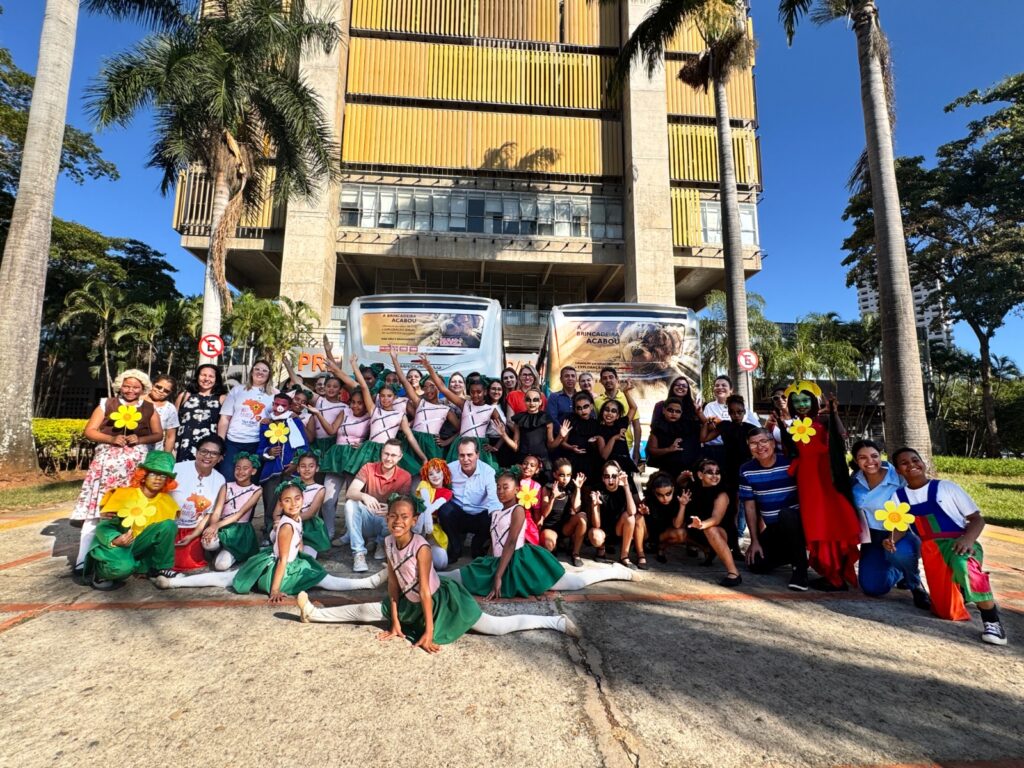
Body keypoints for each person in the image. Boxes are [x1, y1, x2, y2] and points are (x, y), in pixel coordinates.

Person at [294, 496, 580, 650]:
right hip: (408, 602)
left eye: (404, 517)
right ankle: (313, 613)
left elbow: (426, 592)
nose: (397, 521)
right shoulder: (389, 542)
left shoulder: (422, 548)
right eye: (392, 516)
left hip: (443, 603)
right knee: (363, 610)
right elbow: (393, 585)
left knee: (495, 627)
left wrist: (429, 633)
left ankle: (554, 621)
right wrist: (395, 622)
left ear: (414, 520)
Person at [156, 478, 386, 601]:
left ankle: (175, 582)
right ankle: (367, 583)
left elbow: (297, 543)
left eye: (297, 499)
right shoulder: (286, 525)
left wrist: (301, 551)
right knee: (226, 578)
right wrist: (275, 589)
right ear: (280, 504)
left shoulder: (295, 518)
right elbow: (284, 559)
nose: (293, 504)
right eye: (287, 501)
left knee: (226, 577)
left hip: (285, 562)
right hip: (277, 569)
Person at [441, 471, 635, 598]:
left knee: (573, 583)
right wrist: (490, 564)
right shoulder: (496, 512)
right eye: (498, 487)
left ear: (517, 490)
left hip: (520, 561)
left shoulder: (517, 510)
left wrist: (498, 576)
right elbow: (494, 543)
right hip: (498, 561)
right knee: (462, 575)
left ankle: (615, 571)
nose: (500, 491)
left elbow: (510, 543)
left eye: (505, 487)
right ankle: (426, 574)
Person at [890, 447, 1007, 645]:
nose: (911, 465)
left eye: (915, 460)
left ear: (923, 463)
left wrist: (968, 539)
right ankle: (962, 591)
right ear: (898, 470)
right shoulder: (899, 497)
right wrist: (891, 539)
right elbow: (901, 526)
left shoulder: (946, 487)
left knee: (965, 567)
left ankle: (992, 621)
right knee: (947, 612)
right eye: (904, 463)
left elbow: (976, 519)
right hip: (932, 551)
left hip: (959, 543)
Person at [71, 369, 164, 571]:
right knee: (98, 513)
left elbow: (158, 434)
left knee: (131, 513)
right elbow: (90, 431)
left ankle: (123, 557)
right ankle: (82, 559)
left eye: (136, 387)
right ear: (120, 386)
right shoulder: (107, 404)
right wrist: (111, 438)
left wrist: (140, 439)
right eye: (127, 386)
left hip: (134, 470)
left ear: (143, 389)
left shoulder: (149, 408)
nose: (130, 390)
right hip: (106, 469)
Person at [781, 381, 860, 591]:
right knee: (815, 523)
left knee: (828, 523)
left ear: (813, 401)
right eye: (796, 401)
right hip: (806, 482)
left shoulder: (824, 419)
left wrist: (834, 413)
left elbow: (842, 435)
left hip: (825, 480)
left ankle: (835, 576)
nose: (801, 405)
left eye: (805, 400)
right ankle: (829, 573)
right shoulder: (794, 425)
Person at [850, 440, 930, 609]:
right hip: (872, 538)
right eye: (863, 458)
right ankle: (898, 571)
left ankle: (914, 584)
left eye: (874, 456)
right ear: (856, 461)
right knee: (873, 588)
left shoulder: (899, 478)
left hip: (901, 534)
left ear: (881, 455)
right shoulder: (855, 480)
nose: (870, 461)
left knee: (900, 553)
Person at [84, 450, 179, 590]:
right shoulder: (123, 495)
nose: (158, 479)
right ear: (143, 476)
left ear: (167, 481)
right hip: (116, 547)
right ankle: (100, 572)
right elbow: (104, 526)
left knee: (169, 525)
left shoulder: (168, 502)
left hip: (138, 545)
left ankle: (159, 569)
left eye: (163, 476)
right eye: (153, 474)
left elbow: (164, 536)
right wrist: (115, 539)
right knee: (122, 569)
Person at [646, 462, 742, 586]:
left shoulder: (722, 494)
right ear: (700, 475)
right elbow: (674, 487)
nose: (715, 476)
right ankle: (665, 547)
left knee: (710, 529)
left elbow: (716, 519)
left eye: (717, 472)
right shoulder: (693, 489)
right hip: (696, 531)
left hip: (719, 532)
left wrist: (702, 525)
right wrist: (682, 478)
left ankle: (734, 573)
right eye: (710, 472)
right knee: (680, 531)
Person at [739, 428, 808, 591]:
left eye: (763, 441)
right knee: (755, 564)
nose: (759, 447)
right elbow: (749, 506)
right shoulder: (746, 470)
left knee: (786, 514)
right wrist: (755, 541)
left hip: (798, 525)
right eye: (753, 443)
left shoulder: (789, 463)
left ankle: (800, 569)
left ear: (772, 442)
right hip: (774, 528)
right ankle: (794, 554)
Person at [345, 355, 427, 472]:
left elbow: (410, 437)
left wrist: (423, 457)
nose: (385, 399)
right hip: (370, 451)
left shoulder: (400, 415)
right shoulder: (373, 410)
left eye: (389, 396)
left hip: (389, 451)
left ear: (394, 397)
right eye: (382, 396)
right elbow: (364, 387)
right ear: (379, 397)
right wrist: (354, 365)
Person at [420, 356, 502, 470]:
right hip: (461, 444)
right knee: (455, 473)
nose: (475, 395)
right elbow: (443, 388)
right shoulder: (465, 404)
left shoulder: (491, 410)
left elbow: (504, 431)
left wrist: (496, 447)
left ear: (485, 392)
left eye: (479, 392)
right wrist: (429, 368)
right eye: (472, 392)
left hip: (480, 447)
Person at [344, 440, 413, 572]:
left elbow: (406, 505)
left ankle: (381, 542)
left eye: (393, 455)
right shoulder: (368, 468)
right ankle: (358, 553)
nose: (389, 458)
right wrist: (364, 496)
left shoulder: (405, 476)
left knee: (399, 513)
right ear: (381, 453)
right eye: (386, 454)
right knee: (350, 504)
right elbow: (350, 492)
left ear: (400, 457)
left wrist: (392, 508)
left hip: (387, 520)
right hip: (368, 516)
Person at [318, 390, 371, 545]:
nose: (355, 406)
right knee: (328, 498)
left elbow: (376, 437)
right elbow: (331, 430)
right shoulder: (345, 411)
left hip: (355, 458)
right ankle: (328, 532)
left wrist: (364, 444)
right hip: (336, 457)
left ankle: (350, 533)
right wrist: (317, 413)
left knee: (351, 499)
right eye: (353, 402)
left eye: (360, 403)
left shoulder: (370, 417)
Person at [170, 435, 228, 572]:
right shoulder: (176, 469)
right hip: (169, 527)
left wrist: (194, 534)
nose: (207, 456)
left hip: (193, 529)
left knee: (189, 562)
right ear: (196, 452)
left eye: (214, 453)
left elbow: (209, 514)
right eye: (204, 451)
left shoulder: (220, 480)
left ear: (220, 458)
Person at [256, 392, 309, 538]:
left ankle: (292, 535)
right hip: (272, 471)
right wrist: (268, 452)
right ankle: (269, 534)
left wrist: (295, 463)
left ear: (289, 406)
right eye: (276, 404)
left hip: (291, 471)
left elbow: (304, 446)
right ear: (272, 404)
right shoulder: (266, 424)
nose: (279, 407)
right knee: (270, 503)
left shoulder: (295, 421)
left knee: (291, 504)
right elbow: (260, 449)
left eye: (283, 405)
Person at [438, 438, 501, 563]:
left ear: (477, 455)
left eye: (469, 455)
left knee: (492, 516)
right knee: (444, 509)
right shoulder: (450, 468)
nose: (465, 459)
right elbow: (438, 489)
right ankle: (455, 547)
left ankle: (477, 546)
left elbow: (493, 500)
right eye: (462, 455)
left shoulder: (488, 472)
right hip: (458, 513)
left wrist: (497, 517)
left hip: (480, 516)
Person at [390, 350, 454, 470]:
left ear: (439, 388)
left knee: (432, 473)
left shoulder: (446, 409)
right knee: (409, 473)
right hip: (413, 443)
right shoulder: (419, 402)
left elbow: (461, 428)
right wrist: (394, 359)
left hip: (431, 446)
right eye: (425, 386)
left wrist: (446, 441)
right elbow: (404, 380)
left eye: (432, 386)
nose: (428, 390)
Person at [201, 452, 262, 571]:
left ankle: (233, 553)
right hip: (223, 527)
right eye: (237, 468)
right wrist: (213, 527)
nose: (240, 471)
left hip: (240, 531)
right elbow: (217, 511)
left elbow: (239, 514)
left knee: (221, 566)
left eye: (245, 468)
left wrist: (216, 526)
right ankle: (220, 549)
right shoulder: (226, 486)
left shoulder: (256, 490)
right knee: (207, 543)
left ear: (253, 471)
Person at [217, 360, 276, 475]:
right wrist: (220, 444)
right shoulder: (237, 390)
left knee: (251, 479)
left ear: (269, 374)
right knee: (228, 476)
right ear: (252, 372)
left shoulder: (274, 394)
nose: (260, 372)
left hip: (257, 443)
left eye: (264, 370)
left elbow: (279, 417)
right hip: (232, 442)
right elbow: (224, 418)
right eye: (257, 369)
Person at [588, 460, 644, 569]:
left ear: (619, 477)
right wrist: (595, 505)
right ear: (602, 478)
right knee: (595, 534)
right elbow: (596, 525)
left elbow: (632, 512)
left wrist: (626, 486)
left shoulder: (625, 488)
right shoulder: (598, 489)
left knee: (630, 518)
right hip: (603, 531)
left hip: (619, 530)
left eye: (614, 476)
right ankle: (601, 549)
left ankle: (624, 556)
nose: (610, 480)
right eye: (607, 476)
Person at [537, 458, 588, 566]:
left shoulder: (571, 488)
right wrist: (552, 498)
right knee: (549, 545)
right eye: (562, 475)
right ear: (555, 474)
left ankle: (575, 553)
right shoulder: (547, 488)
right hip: (550, 527)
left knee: (582, 517)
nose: (566, 479)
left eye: (568, 475)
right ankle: (556, 546)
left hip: (565, 527)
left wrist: (578, 488)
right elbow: (544, 513)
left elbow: (576, 508)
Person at [174, 364, 227, 462]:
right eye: (203, 375)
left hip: (208, 450)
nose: (206, 379)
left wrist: (221, 448)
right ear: (197, 376)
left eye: (211, 376)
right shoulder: (184, 396)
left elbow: (224, 424)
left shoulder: (222, 399)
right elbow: (174, 423)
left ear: (216, 379)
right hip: (184, 445)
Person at [702, 375, 760, 463]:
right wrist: (709, 422)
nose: (736, 415)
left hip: (743, 455)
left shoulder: (746, 420)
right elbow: (706, 433)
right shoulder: (710, 407)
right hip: (716, 451)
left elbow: (758, 431)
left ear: (731, 389)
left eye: (723, 385)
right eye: (717, 385)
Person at [501, 388, 560, 471]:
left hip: (542, 460)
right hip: (523, 460)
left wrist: (561, 436)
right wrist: (503, 435)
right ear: (524, 401)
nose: (532, 403)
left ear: (540, 402)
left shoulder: (546, 419)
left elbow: (550, 445)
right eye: (528, 400)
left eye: (535, 400)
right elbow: (515, 447)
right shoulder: (519, 419)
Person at [283, 451, 329, 558]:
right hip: (289, 523)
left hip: (309, 527)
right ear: (298, 469)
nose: (307, 469)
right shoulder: (289, 485)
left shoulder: (320, 489)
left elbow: (310, 513)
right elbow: (278, 510)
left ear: (317, 468)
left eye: (311, 466)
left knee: (305, 557)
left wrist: (292, 520)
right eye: (303, 466)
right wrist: (280, 522)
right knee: (285, 554)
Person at [594, 368, 641, 470]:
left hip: (627, 449)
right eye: (605, 378)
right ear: (601, 381)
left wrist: (636, 449)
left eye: (611, 377)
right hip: (607, 459)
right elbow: (603, 455)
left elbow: (634, 411)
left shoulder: (621, 423)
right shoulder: (597, 402)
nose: (609, 413)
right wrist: (614, 438)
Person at [414, 458, 454, 569]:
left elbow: (436, 505)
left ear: (444, 472)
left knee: (441, 562)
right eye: (431, 474)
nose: (435, 476)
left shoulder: (447, 492)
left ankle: (424, 562)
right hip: (418, 525)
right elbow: (425, 502)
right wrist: (425, 514)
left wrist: (427, 514)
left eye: (438, 472)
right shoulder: (424, 485)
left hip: (434, 529)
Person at [562, 392, 600, 478]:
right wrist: (571, 448)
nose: (583, 410)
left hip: (591, 461)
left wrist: (593, 443)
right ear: (575, 410)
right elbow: (563, 443)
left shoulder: (596, 424)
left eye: (586, 407)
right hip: (573, 460)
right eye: (579, 408)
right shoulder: (570, 420)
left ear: (591, 406)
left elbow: (598, 448)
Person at [145, 375, 179, 454]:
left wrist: (165, 456)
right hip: (131, 451)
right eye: (158, 387)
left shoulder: (170, 409)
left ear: (170, 393)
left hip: (154, 453)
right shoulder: (138, 400)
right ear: (153, 384)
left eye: (166, 391)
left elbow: (170, 437)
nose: (161, 391)